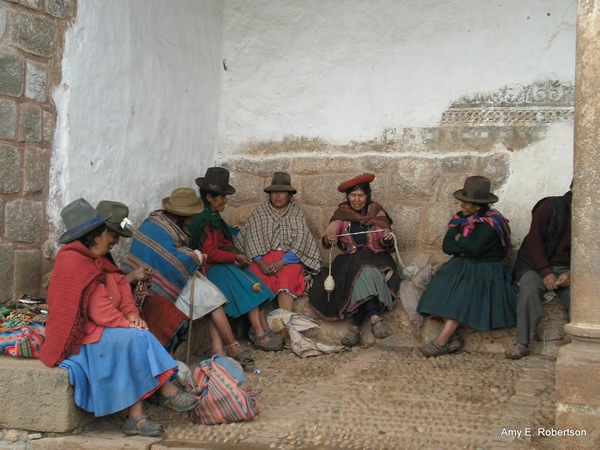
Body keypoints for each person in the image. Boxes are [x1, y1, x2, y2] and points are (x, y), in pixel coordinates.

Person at [40, 198, 198, 437]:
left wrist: (133, 315)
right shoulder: (73, 261)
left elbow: (122, 292)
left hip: (103, 330)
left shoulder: (100, 261)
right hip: (81, 336)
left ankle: (139, 415)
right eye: (107, 233)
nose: (112, 240)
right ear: (95, 235)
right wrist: (127, 324)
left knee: (136, 336)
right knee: (133, 339)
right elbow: (100, 311)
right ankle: (163, 393)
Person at [123, 188, 255, 368]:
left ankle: (220, 350)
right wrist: (198, 257)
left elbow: (173, 256)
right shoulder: (159, 228)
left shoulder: (164, 223)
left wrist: (193, 257)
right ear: (183, 215)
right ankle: (230, 348)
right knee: (210, 298)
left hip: (171, 277)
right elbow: (174, 262)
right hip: (153, 286)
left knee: (212, 297)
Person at [417, 176, 518, 357]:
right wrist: (463, 242)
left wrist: (459, 239)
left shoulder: (492, 222)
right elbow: (447, 247)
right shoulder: (461, 219)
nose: (461, 204)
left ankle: (441, 341)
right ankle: (453, 337)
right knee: (444, 287)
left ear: (478, 206)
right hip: (464, 263)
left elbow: (475, 248)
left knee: (465, 292)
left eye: (465, 202)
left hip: (488, 267)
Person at [188, 167, 283, 352]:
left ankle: (264, 329)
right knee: (249, 289)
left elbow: (220, 238)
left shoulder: (213, 216)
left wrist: (234, 232)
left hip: (222, 265)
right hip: (211, 269)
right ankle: (259, 334)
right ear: (209, 198)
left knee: (256, 284)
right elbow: (210, 252)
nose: (225, 201)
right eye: (222, 197)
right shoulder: (205, 220)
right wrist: (236, 256)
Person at [308, 173, 401, 347]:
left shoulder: (376, 212)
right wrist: (330, 238)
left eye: (361, 196)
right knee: (360, 271)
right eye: (353, 195)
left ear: (368, 196)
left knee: (365, 270)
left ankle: (355, 327)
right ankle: (375, 319)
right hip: (349, 259)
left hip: (377, 257)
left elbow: (385, 235)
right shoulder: (342, 214)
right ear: (347, 197)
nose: (356, 200)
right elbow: (330, 233)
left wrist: (387, 237)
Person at [96, 200, 188, 353]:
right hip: (106, 313)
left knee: (162, 308)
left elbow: (114, 283)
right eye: (114, 236)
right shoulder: (88, 259)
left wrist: (134, 278)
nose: (116, 242)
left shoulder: (104, 255)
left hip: (120, 305)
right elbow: (102, 293)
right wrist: (128, 319)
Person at [233, 172, 321, 311]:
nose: (277, 196)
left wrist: (283, 261)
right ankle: (259, 326)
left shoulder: (297, 213)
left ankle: (285, 320)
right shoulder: (260, 212)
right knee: (254, 276)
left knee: (287, 276)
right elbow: (251, 239)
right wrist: (260, 262)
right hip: (263, 258)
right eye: (274, 192)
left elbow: (301, 240)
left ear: (289, 195)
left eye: (282, 192)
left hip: (290, 259)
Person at [505, 181, 572, 359]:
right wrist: (545, 272)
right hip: (534, 264)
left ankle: (578, 343)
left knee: (581, 298)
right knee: (528, 290)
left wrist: (572, 273)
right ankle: (522, 342)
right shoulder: (549, 207)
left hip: (568, 269)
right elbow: (534, 242)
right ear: (572, 189)